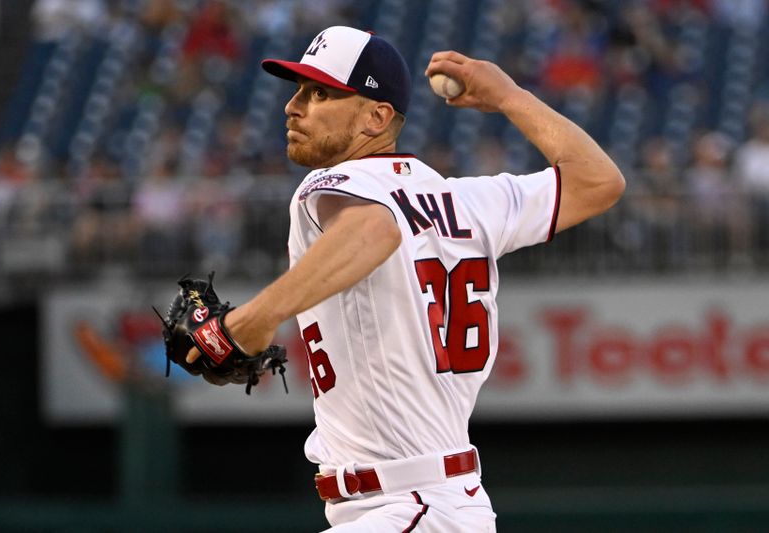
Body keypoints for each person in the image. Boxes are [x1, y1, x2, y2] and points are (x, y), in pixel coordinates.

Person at [187, 25, 625, 531]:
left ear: (377, 116)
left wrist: (250, 322)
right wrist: (510, 97)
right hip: (436, 501)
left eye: (320, 93)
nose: (294, 106)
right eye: (299, 90)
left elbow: (374, 229)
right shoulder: (467, 202)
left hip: (406, 501)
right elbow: (598, 180)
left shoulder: (336, 183)